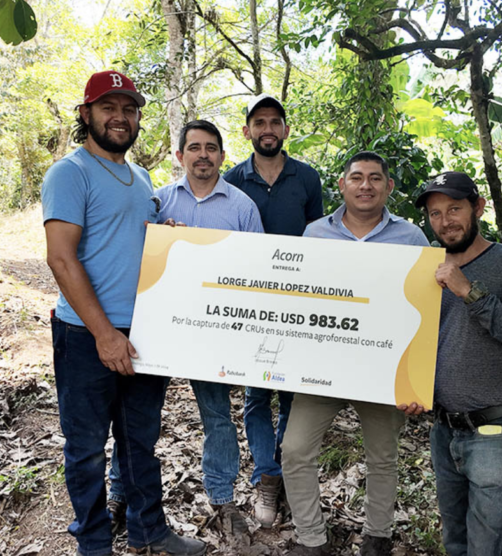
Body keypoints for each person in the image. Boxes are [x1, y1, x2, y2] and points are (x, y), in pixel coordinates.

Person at [41, 70, 207, 556]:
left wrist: (165, 233)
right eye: (108, 107)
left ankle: (148, 531)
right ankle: (93, 543)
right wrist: (104, 334)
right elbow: (61, 258)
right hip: (86, 335)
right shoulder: (69, 173)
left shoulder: (141, 177)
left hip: (145, 330)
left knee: (140, 440)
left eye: (129, 109)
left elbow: (132, 241)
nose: (120, 117)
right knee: (88, 447)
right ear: (85, 113)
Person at [108, 120, 263, 537]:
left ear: (222, 156)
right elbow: (133, 258)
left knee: (217, 417)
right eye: (194, 147)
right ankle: (119, 495)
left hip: (213, 333)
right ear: (180, 156)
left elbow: (257, 270)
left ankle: (223, 499)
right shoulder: (156, 201)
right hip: (158, 327)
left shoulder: (242, 207)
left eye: (211, 148)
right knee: (139, 417)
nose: (203, 155)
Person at [281, 152, 429, 556]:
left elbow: (423, 309)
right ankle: (312, 539)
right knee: (294, 449)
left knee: (383, 455)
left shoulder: (412, 238)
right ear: (342, 184)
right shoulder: (315, 234)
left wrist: (416, 378)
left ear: (388, 187)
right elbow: (298, 299)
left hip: (382, 369)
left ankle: (377, 536)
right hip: (322, 366)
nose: (366, 185)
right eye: (358, 177)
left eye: (375, 178)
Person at [415, 171, 502, 556]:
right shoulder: (424, 268)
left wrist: (469, 292)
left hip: (499, 433)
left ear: (478, 208)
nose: (445, 221)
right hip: (444, 430)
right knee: (455, 542)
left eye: (454, 209)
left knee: (487, 548)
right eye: (435, 213)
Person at [224, 94, 323, 527]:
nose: (267, 129)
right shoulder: (231, 179)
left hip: (297, 303)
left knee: (293, 394)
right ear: (247, 131)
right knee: (256, 395)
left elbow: (322, 238)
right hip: (248, 304)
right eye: (258, 122)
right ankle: (267, 474)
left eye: (274, 122)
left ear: (285, 129)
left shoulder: (308, 178)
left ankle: (283, 469)